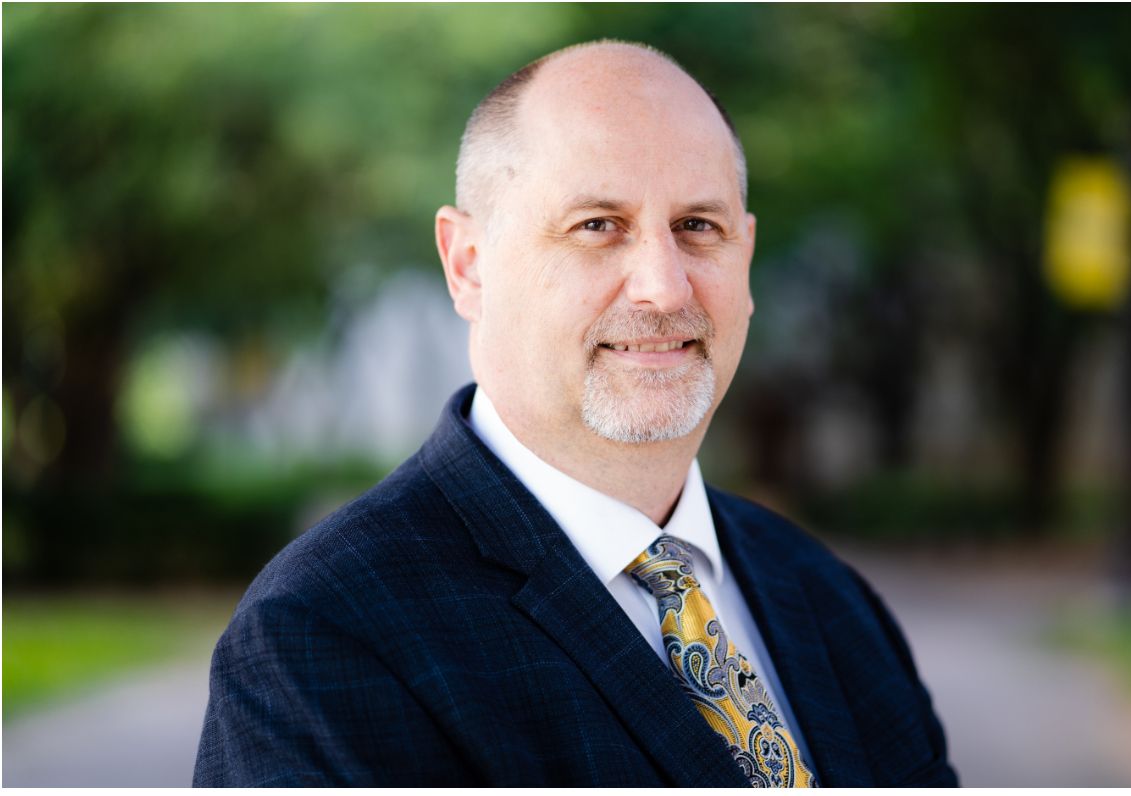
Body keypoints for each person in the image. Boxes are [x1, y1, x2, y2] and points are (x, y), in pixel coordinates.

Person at [193, 40, 957, 787]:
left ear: (745, 259)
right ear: (468, 264)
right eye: (597, 225)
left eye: (698, 227)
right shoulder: (323, 637)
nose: (663, 287)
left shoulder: (830, 601)